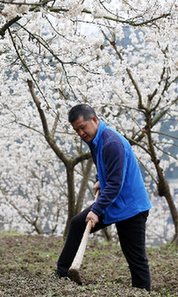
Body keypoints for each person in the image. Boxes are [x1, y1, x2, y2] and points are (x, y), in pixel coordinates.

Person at [56, 104, 152, 291]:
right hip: (114, 201)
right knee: (77, 224)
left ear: (94, 120)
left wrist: (96, 210)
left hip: (131, 207)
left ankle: (142, 292)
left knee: (135, 257)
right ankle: (62, 273)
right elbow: (107, 168)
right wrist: (101, 179)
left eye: (83, 127)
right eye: (77, 130)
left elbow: (116, 183)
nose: (81, 133)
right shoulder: (96, 140)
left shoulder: (111, 142)